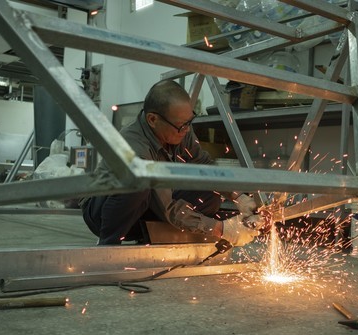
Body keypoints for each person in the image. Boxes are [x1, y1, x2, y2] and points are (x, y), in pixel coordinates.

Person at [81, 80, 262, 246]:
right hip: (105, 212)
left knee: (210, 194)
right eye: (181, 126)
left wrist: (239, 197)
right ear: (153, 119)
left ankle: (157, 236)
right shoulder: (134, 148)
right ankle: (107, 244)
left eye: (189, 122)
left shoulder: (180, 128)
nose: (187, 130)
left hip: (148, 204)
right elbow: (169, 208)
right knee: (139, 185)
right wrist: (222, 229)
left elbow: (205, 167)